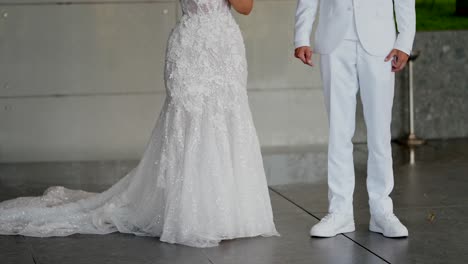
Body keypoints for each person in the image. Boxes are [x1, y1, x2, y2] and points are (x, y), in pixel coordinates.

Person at [0, 0, 279, 248]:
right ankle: (189, 214)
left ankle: (229, 214)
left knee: (226, 120)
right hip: (191, 42)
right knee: (186, 123)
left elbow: (246, 6)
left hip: (224, 46)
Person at [294, 0, 416, 238]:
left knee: (379, 132)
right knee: (339, 132)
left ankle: (382, 211)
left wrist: (404, 40)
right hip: (334, 41)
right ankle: (340, 212)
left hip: (381, 42)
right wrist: (301, 36)